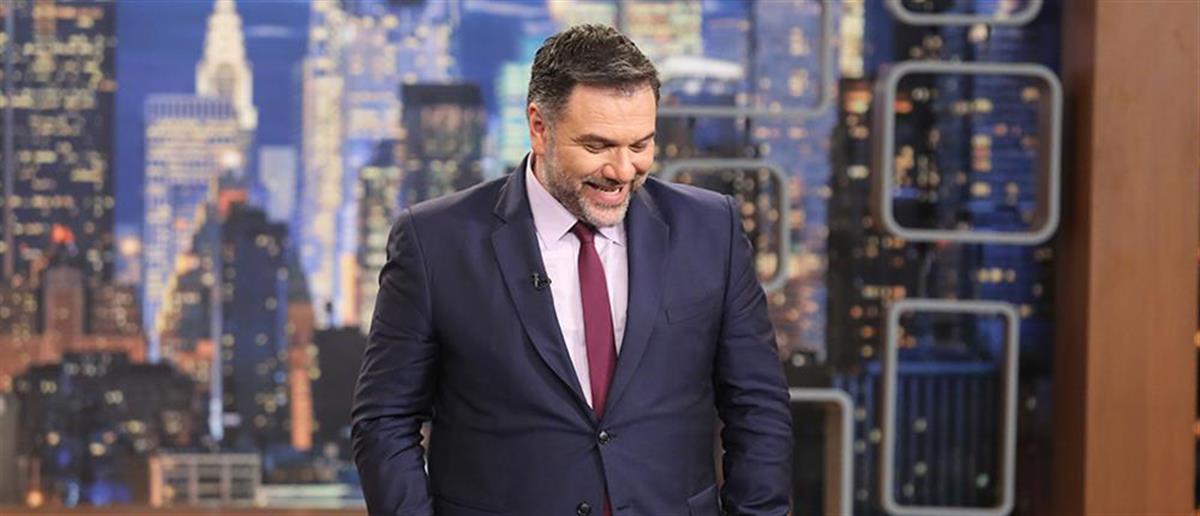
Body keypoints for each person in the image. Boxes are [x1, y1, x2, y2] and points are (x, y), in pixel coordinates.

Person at [352, 24, 792, 516]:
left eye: (640, 145)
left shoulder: (711, 230)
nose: (622, 170)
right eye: (598, 146)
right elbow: (384, 421)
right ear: (540, 127)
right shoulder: (436, 242)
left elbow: (758, 408)